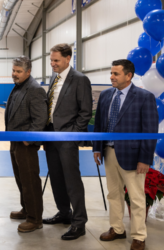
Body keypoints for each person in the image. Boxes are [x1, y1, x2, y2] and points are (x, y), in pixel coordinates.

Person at [93, 60, 158, 250]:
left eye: (116, 74)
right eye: (111, 73)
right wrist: (97, 148)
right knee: (113, 194)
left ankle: (139, 236)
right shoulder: (105, 95)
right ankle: (117, 229)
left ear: (128, 76)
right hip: (109, 152)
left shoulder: (144, 97)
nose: (111, 77)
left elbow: (150, 131)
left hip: (133, 156)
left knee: (137, 198)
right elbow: (99, 125)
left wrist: (145, 159)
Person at [43, 43, 92, 240]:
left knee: (72, 181)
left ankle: (79, 223)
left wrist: (73, 135)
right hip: (50, 137)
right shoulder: (53, 78)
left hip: (67, 138)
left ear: (67, 58)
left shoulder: (80, 80)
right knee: (56, 178)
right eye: (51, 60)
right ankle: (64, 213)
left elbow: (85, 111)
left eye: (56, 60)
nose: (52, 64)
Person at [5, 56, 47, 233]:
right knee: (20, 179)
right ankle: (26, 209)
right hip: (15, 141)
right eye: (13, 70)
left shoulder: (35, 90)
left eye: (18, 71)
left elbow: (40, 119)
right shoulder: (18, 87)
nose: (14, 74)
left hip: (26, 144)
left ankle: (35, 218)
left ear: (28, 72)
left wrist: (29, 139)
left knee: (30, 180)